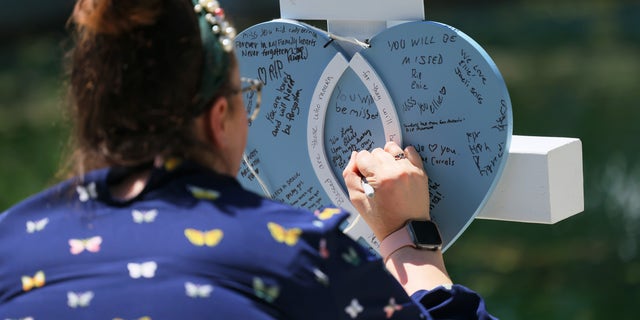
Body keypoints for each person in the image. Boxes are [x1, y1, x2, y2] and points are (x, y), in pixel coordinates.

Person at [0, 0, 496, 319]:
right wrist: (411, 245)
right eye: (247, 95)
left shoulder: (9, 241)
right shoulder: (302, 254)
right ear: (220, 116)